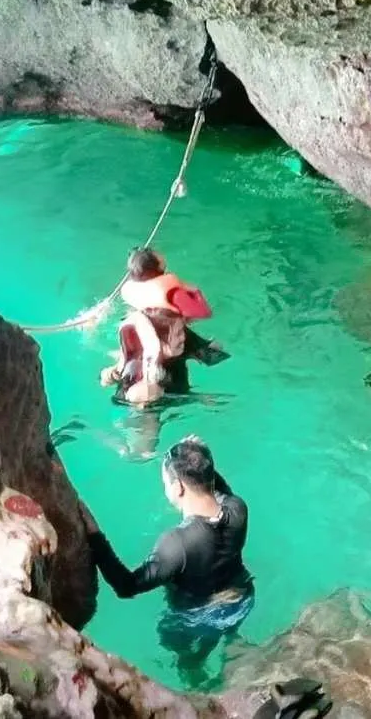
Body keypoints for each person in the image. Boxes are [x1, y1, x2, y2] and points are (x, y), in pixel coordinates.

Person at [83, 436, 255, 684]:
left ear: (178, 488)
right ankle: (233, 647)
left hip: (198, 618)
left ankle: (200, 684)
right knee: (225, 631)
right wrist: (197, 457)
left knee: (177, 647)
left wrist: (95, 535)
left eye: (166, 483)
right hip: (241, 599)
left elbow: (127, 586)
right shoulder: (238, 508)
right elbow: (217, 487)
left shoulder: (178, 543)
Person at [100, 247, 227, 403]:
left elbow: (211, 353)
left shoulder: (135, 331)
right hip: (153, 396)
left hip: (155, 394)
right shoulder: (144, 332)